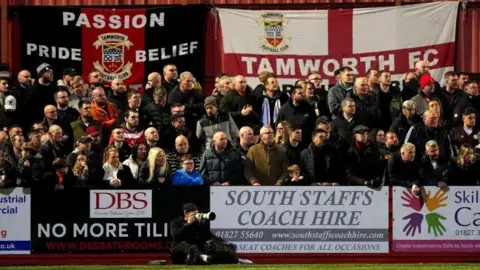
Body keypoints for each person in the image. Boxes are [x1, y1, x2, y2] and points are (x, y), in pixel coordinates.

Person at [170, 203, 238, 265]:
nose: (195, 216)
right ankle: (201, 257)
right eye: (193, 214)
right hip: (180, 252)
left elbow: (208, 237)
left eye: (196, 214)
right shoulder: (176, 222)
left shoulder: (198, 223)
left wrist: (223, 243)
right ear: (185, 213)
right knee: (184, 244)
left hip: (196, 251)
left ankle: (234, 259)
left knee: (214, 244)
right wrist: (188, 224)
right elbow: (176, 236)